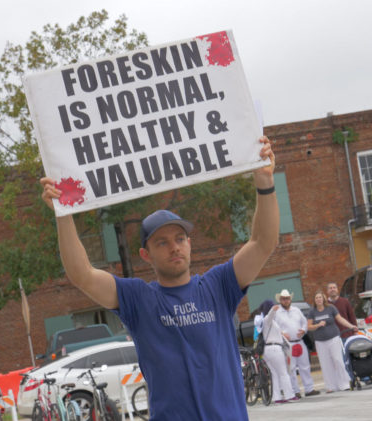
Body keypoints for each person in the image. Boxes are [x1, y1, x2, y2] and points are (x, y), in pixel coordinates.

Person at [40, 136, 279, 421]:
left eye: (180, 238)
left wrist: (265, 182)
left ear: (190, 244)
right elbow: (82, 275)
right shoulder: (139, 299)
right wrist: (63, 214)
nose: (174, 246)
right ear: (145, 254)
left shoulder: (218, 286)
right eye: (162, 242)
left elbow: (263, 242)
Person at [307, 291, 358, 392]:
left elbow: (340, 319)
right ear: (314, 300)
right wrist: (317, 325)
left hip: (333, 338)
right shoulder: (312, 311)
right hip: (320, 341)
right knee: (326, 363)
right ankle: (331, 386)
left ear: (324, 299)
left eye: (320, 297)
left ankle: (344, 384)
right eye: (316, 298)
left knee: (338, 360)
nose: (318, 299)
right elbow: (308, 327)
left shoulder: (330, 308)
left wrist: (351, 326)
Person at [274, 289, 320, 398]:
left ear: (290, 299)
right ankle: (295, 391)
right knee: (291, 368)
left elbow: (304, 322)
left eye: (287, 298)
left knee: (305, 366)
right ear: (280, 300)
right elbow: (274, 328)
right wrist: (282, 334)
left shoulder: (296, 310)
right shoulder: (277, 313)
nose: (286, 300)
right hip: (287, 344)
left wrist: (304, 330)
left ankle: (309, 389)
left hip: (299, 341)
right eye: (284, 299)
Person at [257, 300, 298, 404]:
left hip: (268, 350)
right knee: (283, 373)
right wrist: (273, 309)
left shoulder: (265, 322)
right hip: (274, 349)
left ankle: (277, 398)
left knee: (274, 374)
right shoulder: (267, 319)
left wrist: (283, 335)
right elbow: (270, 316)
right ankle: (290, 395)